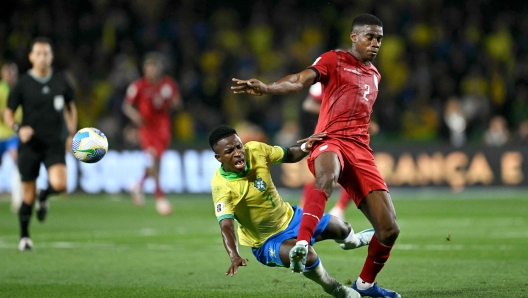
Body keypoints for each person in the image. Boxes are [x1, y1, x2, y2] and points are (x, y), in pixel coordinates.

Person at [231, 14, 401, 297]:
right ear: (354, 37)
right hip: (329, 140)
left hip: (359, 149)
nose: (375, 43)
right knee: (326, 177)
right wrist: (268, 87)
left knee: (389, 230)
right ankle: (302, 242)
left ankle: (366, 285)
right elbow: (299, 80)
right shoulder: (333, 60)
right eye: (369, 37)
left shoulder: (375, 76)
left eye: (379, 39)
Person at [209, 125, 374, 298]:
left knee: (343, 229)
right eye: (229, 151)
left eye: (238, 146)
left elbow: (288, 154)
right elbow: (226, 225)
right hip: (266, 241)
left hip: (292, 217)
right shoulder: (222, 186)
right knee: (307, 256)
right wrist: (234, 255)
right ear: (219, 157)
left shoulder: (256, 150)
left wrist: (305, 147)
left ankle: (354, 241)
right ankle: (334, 288)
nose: (237, 153)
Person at [4, 37, 78, 251]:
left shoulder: (61, 81)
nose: (43, 58)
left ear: (52, 57)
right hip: (30, 145)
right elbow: (8, 113)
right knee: (27, 193)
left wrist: (71, 133)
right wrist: (18, 128)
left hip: (54, 143)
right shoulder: (23, 83)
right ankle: (24, 236)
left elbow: (71, 108)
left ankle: (44, 196)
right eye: (38, 53)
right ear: (31, 57)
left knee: (61, 185)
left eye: (46, 53)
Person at [122, 52, 182, 216]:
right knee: (153, 159)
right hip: (146, 127)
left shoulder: (168, 84)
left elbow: (177, 103)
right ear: (144, 69)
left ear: (159, 68)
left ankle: (138, 185)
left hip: (163, 126)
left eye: (154, 67)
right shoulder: (139, 86)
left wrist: (172, 99)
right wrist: (135, 118)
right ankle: (160, 197)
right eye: (149, 67)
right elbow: (127, 106)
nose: (152, 70)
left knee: (157, 161)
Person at [0, 61, 23, 212]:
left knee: (18, 161)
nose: (10, 76)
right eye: (8, 73)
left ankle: (18, 198)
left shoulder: (19, 89)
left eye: (12, 73)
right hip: (1, 132)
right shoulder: (1, 90)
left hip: (13, 133)